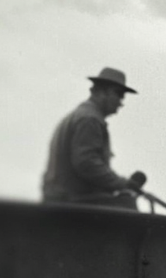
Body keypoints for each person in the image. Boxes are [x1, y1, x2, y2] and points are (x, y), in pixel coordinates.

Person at [42, 68, 148, 208]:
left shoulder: (83, 116)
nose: (121, 102)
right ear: (101, 92)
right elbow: (86, 164)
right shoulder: (89, 119)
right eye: (119, 94)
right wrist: (122, 184)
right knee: (128, 207)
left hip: (62, 198)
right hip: (70, 201)